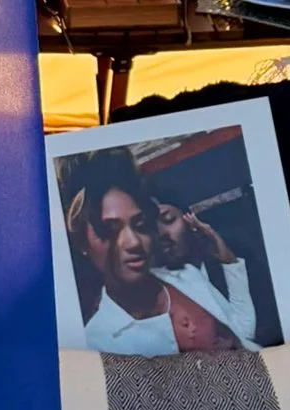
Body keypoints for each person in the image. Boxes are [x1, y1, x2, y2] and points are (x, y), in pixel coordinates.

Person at [67, 151, 258, 354]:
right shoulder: (96, 342)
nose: (133, 242)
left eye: (140, 225)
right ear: (82, 243)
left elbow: (243, 334)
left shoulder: (185, 276)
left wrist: (230, 263)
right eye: (110, 231)